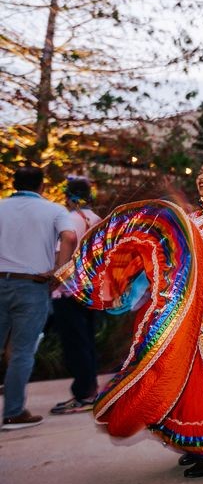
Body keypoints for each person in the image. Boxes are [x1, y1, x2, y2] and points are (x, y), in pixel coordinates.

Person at [56, 159, 203, 477]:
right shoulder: (187, 219)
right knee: (184, 378)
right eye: (201, 172)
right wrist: (126, 286)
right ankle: (198, 444)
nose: (202, 177)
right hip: (187, 307)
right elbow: (164, 258)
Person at [0, 166, 77, 429]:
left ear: (14, 183)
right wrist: (58, 272)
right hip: (31, 285)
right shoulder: (54, 210)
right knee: (22, 352)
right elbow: (69, 236)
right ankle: (13, 412)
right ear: (42, 186)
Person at [50, 176, 103, 415]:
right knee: (87, 340)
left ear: (68, 196)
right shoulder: (97, 219)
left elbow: (67, 246)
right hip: (91, 289)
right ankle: (91, 389)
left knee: (74, 342)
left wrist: (57, 277)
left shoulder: (69, 220)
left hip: (69, 290)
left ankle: (84, 394)